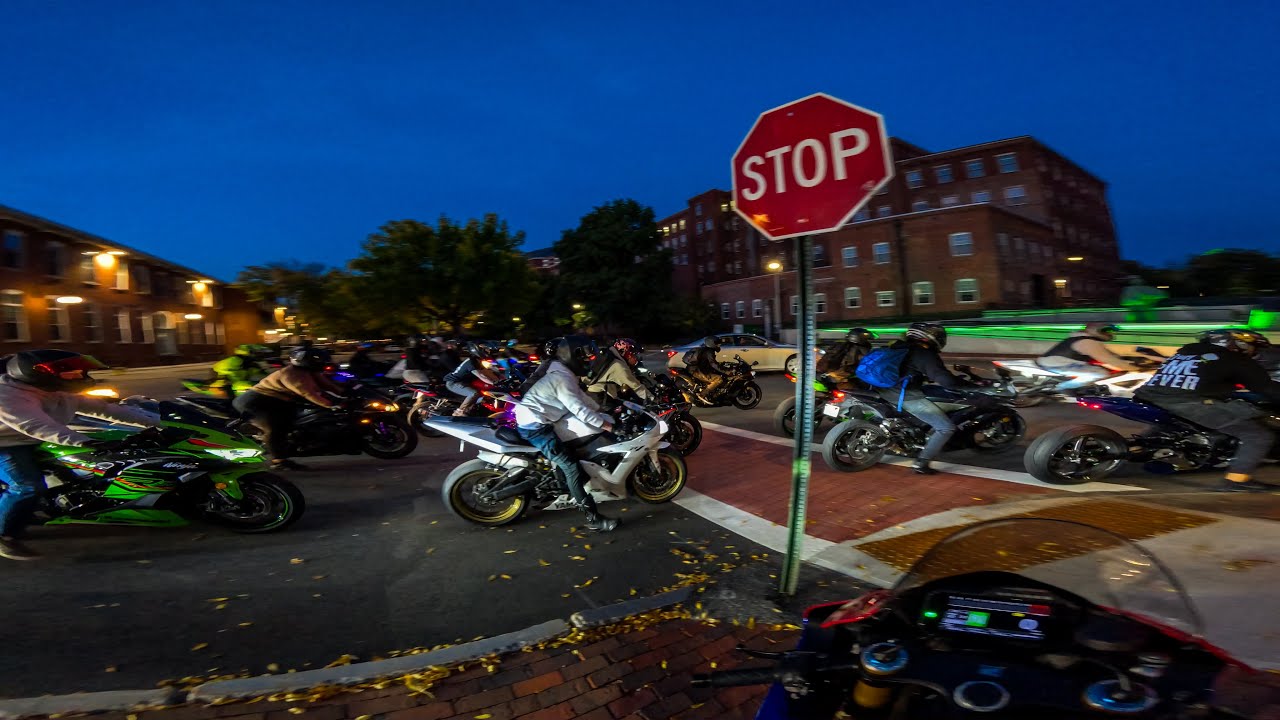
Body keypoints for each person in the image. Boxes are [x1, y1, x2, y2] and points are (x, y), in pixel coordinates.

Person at [0, 350, 162, 560]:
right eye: (72, 374)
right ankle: (5, 536)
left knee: (77, 471)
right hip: (8, 443)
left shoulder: (57, 391)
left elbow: (105, 409)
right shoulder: (7, 395)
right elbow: (36, 426)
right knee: (27, 486)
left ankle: (39, 510)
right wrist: (86, 441)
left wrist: (161, 423)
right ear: (37, 374)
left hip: (35, 439)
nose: (79, 377)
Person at [1134, 329, 1280, 493]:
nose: (1254, 351)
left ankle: (1136, 450)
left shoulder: (1183, 355)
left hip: (1149, 396)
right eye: (1253, 347)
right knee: (1257, 435)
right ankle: (1237, 480)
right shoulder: (1234, 358)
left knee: (1172, 421)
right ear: (1240, 344)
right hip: (1186, 401)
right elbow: (1265, 387)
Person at [513, 336, 618, 532]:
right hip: (535, 426)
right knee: (571, 466)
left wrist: (603, 410)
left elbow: (581, 398)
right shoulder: (561, 378)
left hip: (541, 418)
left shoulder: (564, 373)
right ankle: (593, 519)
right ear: (571, 355)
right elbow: (579, 409)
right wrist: (609, 426)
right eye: (584, 356)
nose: (588, 360)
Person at [875, 322, 981, 475]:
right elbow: (946, 381)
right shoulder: (925, 353)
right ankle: (921, 463)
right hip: (904, 396)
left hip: (883, 391)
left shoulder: (898, 346)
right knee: (946, 428)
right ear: (931, 337)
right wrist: (967, 385)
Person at [233, 347, 340, 471]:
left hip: (279, 400)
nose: (322, 363)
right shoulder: (290, 374)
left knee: (296, 420)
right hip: (256, 401)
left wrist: (346, 393)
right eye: (318, 361)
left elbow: (328, 385)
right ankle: (278, 461)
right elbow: (308, 393)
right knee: (275, 428)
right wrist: (331, 405)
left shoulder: (310, 372)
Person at [1037, 322, 1143, 390]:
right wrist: (1133, 368)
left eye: (1110, 331)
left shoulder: (1085, 339)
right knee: (1100, 373)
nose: (1110, 334)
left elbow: (1110, 355)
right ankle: (1061, 388)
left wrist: (1125, 359)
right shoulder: (1087, 342)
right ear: (1094, 329)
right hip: (1057, 364)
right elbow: (1108, 359)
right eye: (1106, 331)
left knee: (1099, 368)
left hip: (1055, 362)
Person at [444, 343, 501, 416]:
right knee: (474, 393)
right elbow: (482, 376)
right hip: (454, 382)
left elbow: (488, 373)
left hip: (464, 382)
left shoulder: (478, 360)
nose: (487, 352)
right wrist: (495, 383)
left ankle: (471, 412)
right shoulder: (471, 362)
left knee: (484, 391)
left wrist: (501, 381)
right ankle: (459, 413)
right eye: (485, 350)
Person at [587, 338, 650, 403]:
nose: (635, 358)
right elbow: (636, 387)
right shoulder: (617, 365)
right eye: (633, 355)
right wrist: (652, 399)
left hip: (595, 395)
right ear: (625, 352)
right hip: (601, 399)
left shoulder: (609, 356)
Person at [688, 336, 728, 403]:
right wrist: (725, 371)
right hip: (698, 372)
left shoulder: (706, 350)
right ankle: (703, 394)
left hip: (696, 370)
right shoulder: (709, 351)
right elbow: (713, 364)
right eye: (717, 343)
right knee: (718, 379)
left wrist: (721, 365)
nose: (719, 345)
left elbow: (711, 363)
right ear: (711, 343)